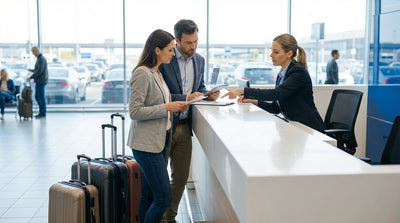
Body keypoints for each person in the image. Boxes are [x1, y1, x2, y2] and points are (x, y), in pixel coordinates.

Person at [159, 19, 219, 223]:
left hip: (185, 127)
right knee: (159, 181)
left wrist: (206, 94)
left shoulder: (199, 60)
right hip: (164, 126)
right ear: (177, 40)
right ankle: (158, 218)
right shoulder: (166, 59)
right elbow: (161, 95)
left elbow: (199, 87)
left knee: (181, 178)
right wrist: (186, 97)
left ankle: (169, 217)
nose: (193, 47)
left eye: (196, 42)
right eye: (188, 43)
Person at [127, 29, 189, 223]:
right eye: (170, 50)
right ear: (157, 50)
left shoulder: (157, 72)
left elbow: (161, 103)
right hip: (146, 147)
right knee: (164, 198)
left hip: (160, 143)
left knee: (150, 196)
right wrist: (166, 107)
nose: (173, 53)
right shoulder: (142, 73)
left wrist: (175, 107)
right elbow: (135, 112)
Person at [222, 33, 325, 133]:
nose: (271, 55)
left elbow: (276, 94)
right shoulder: (282, 74)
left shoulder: (298, 72)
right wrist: (254, 101)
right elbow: (276, 108)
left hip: (309, 128)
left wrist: (242, 90)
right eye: (272, 51)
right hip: (294, 125)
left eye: (276, 52)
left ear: (289, 54)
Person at [28, 46, 48, 119]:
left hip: (41, 81)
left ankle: (43, 113)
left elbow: (39, 71)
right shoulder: (39, 59)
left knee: (40, 97)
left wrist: (31, 77)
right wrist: (32, 70)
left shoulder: (41, 59)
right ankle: (41, 113)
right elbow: (38, 70)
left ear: (36, 51)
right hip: (39, 81)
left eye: (33, 52)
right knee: (38, 96)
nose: (33, 54)